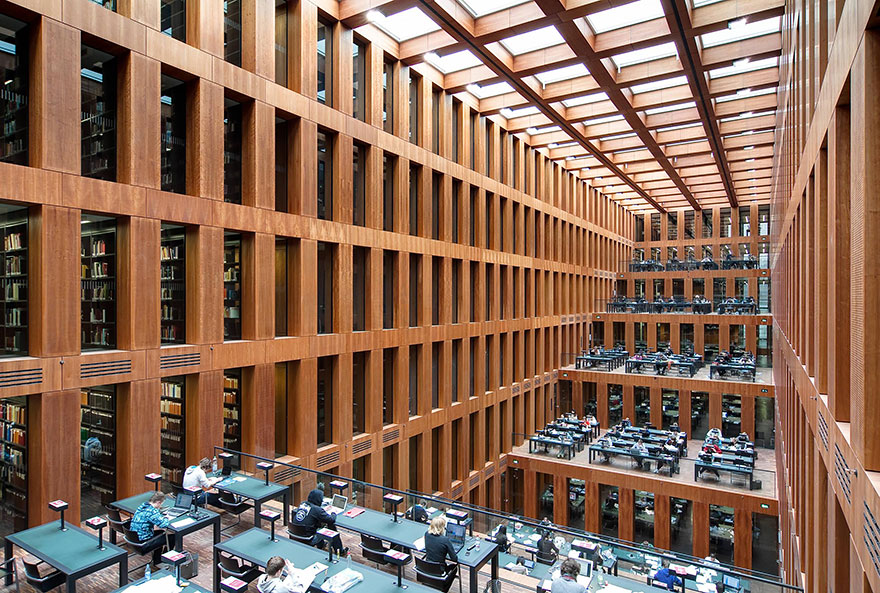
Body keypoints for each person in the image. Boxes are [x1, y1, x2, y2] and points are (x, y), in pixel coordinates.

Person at [291, 489, 347, 555]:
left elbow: (312, 513)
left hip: (295, 534)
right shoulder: (317, 510)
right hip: (308, 538)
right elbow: (331, 519)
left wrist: (322, 510)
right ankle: (340, 551)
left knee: (316, 524)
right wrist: (334, 512)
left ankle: (321, 545)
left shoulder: (303, 504)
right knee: (331, 525)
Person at [129, 492, 170, 566]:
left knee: (160, 533)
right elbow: (164, 524)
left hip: (134, 539)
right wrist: (166, 518)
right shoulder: (152, 511)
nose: (161, 506)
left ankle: (157, 559)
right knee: (171, 538)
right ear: (158, 502)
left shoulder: (142, 506)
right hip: (143, 543)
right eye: (161, 504)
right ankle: (163, 560)